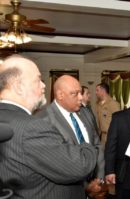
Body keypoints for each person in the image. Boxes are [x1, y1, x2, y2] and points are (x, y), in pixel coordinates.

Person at [0, 55, 98, 198]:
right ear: (19, 87)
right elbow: (80, 165)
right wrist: (88, 147)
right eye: (38, 80)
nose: (44, 85)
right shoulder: (31, 127)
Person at [37, 75, 105, 198]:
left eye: (80, 93)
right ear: (60, 95)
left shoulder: (85, 112)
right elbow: (58, 164)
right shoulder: (44, 120)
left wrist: (99, 179)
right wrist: (86, 187)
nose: (80, 97)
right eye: (75, 94)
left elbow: (96, 145)